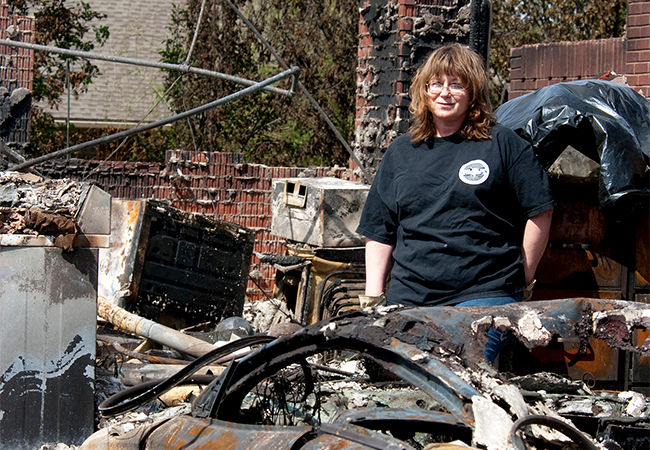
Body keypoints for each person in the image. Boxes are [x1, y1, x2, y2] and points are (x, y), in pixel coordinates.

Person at [356, 43, 555, 364]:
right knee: (406, 381)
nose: (444, 93)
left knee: (462, 375)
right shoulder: (401, 152)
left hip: (483, 295)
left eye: (456, 84)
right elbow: (380, 230)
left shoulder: (502, 144)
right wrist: (374, 297)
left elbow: (540, 210)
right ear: (424, 90)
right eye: (436, 83)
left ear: (473, 91)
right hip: (411, 298)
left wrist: (523, 276)